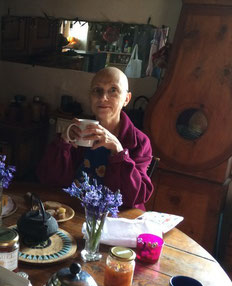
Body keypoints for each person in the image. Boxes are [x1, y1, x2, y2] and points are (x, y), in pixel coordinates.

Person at [36, 67, 153, 210]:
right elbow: (49, 181)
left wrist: (119, 152)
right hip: (77, 211)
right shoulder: (78, 133)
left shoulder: (139, 142)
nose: (103, 97)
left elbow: (133, 198)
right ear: (90, 96)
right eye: (97, 90)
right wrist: (63, 143)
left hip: (116, 218)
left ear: (126, 99)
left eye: (113, 90)